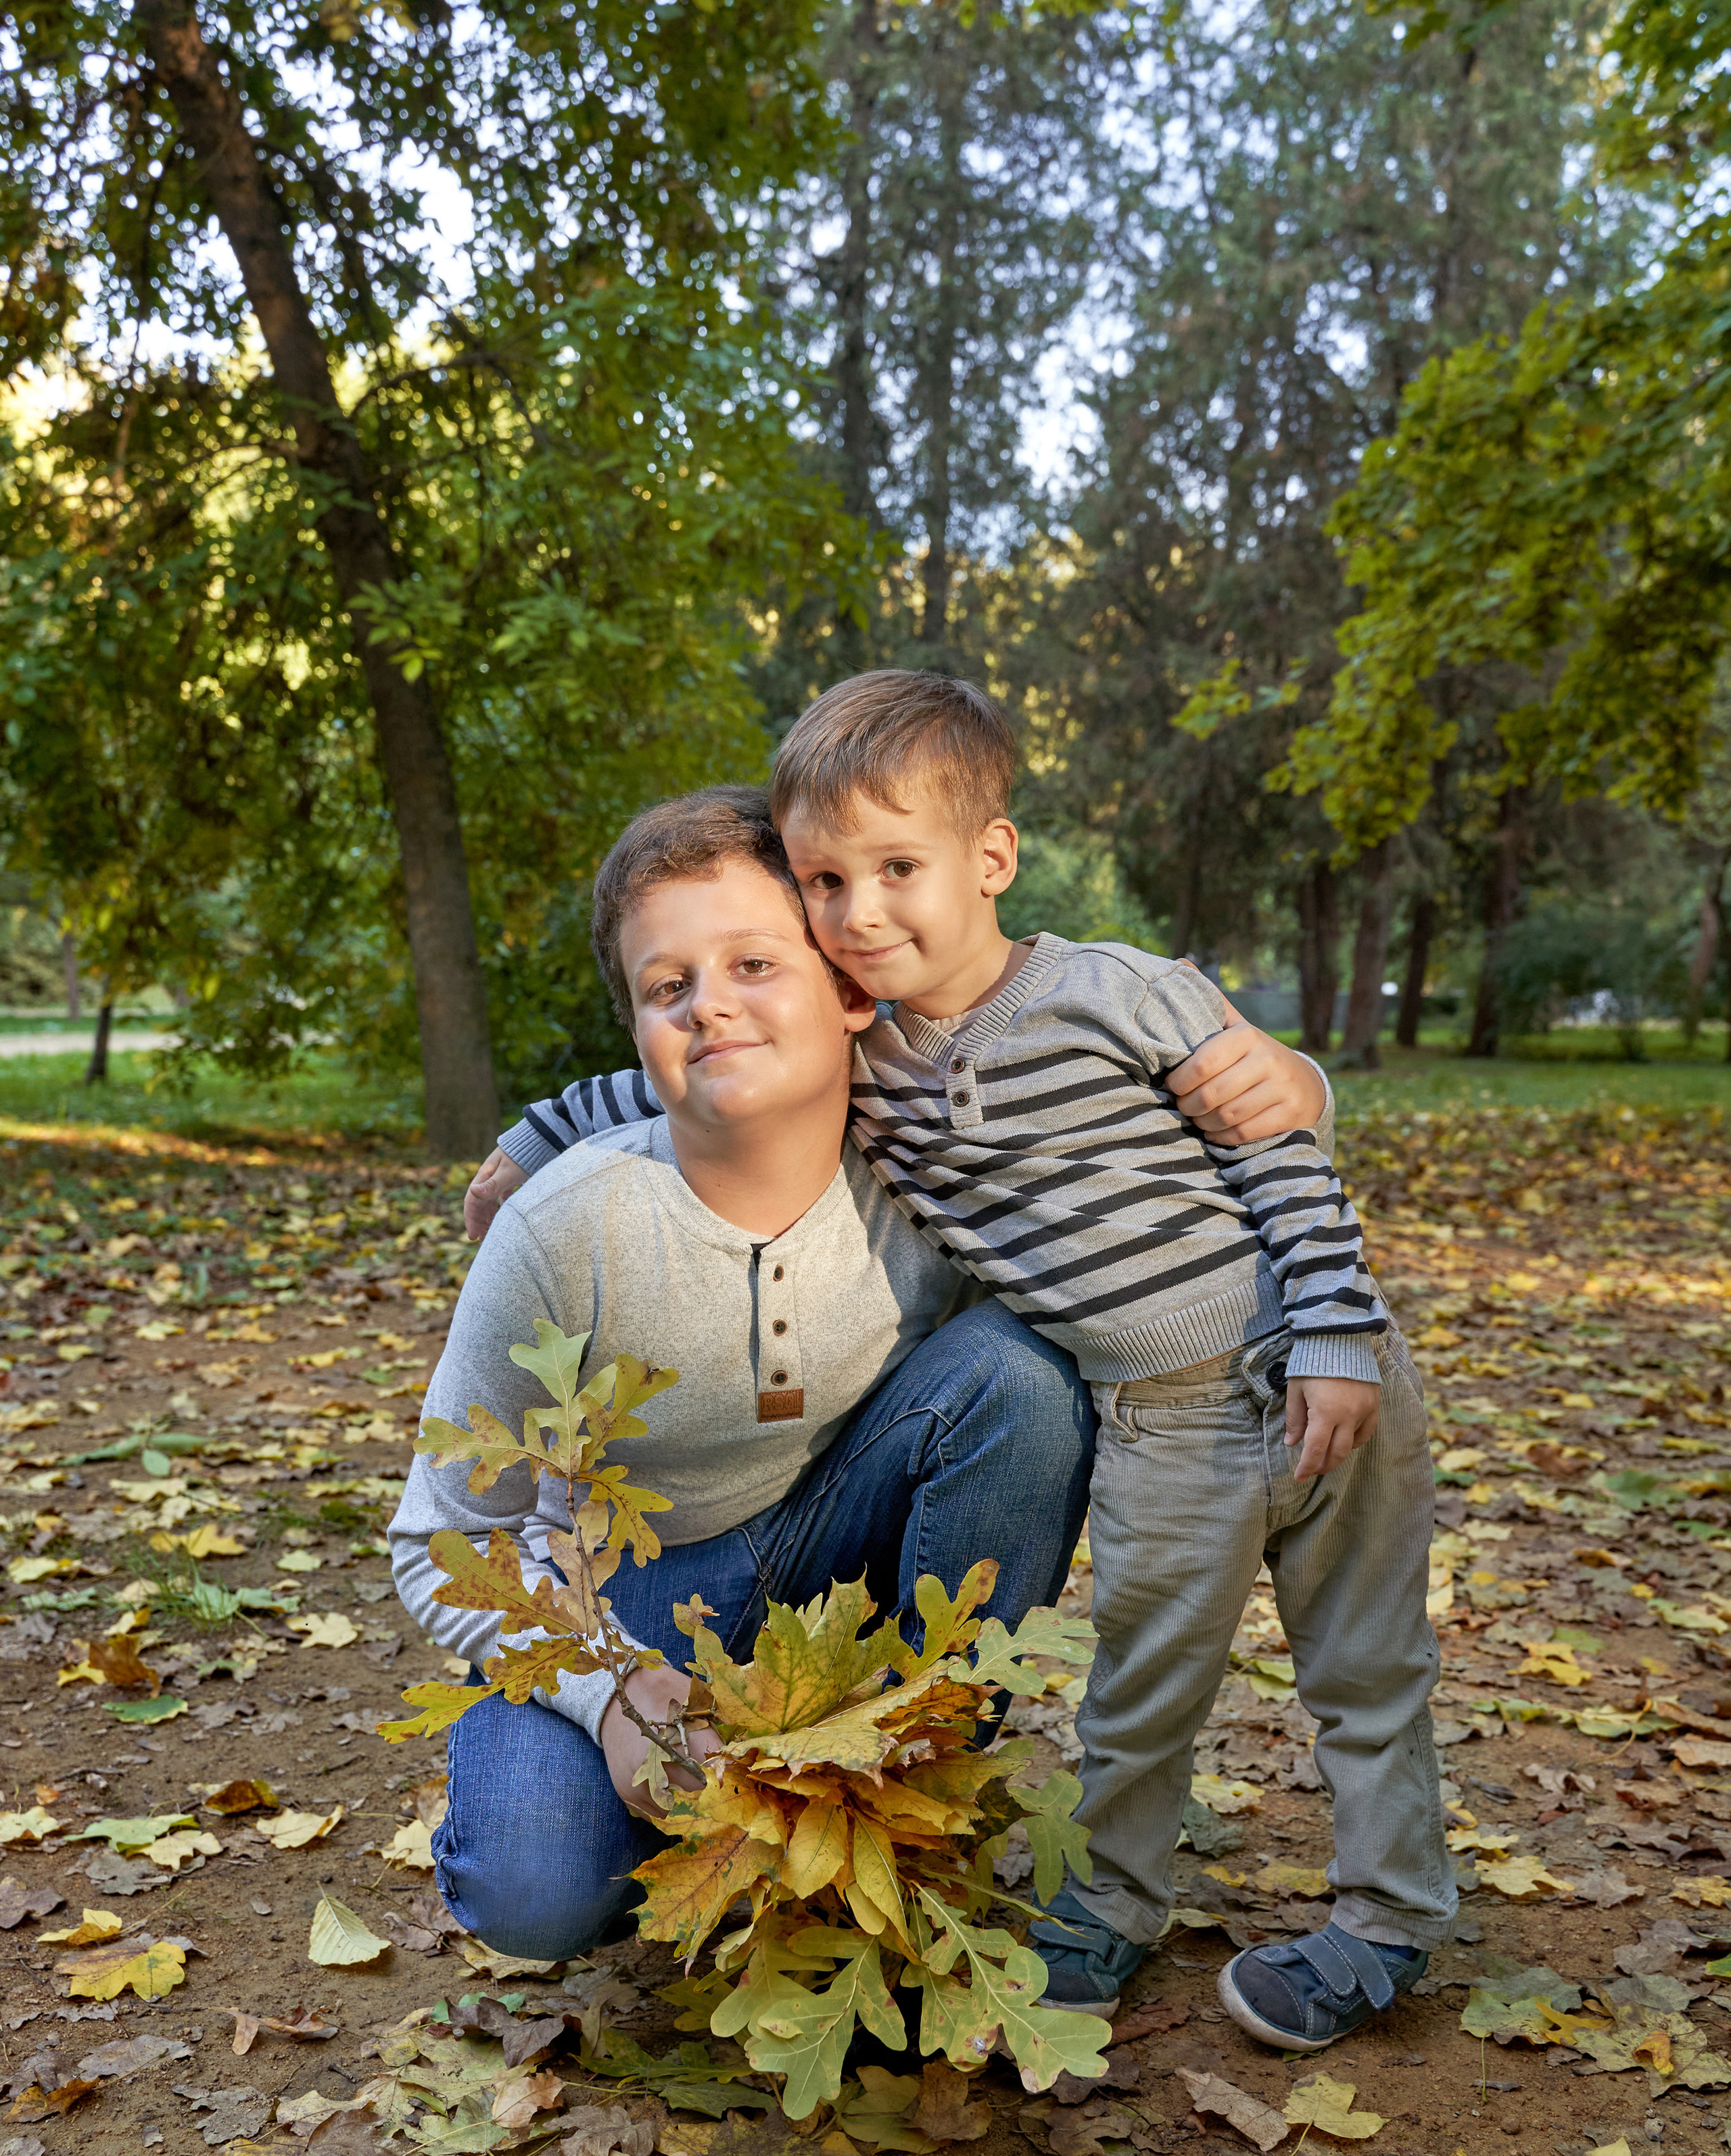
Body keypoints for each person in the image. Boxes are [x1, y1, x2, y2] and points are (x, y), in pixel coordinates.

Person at [464, 674, 1453, 2053]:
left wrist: (1336, 1322)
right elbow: (674, 1060)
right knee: (1138, 1684)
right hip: (1155, 1420)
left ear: (989, 859)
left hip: (1311, 1365)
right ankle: (1108, 1906)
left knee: (1361, 1661)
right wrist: (528, 1139)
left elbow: (1273, 1149)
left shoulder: (1116, 990)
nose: (860, 913)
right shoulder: (860, 1055)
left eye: (896, 869)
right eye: (823, 880)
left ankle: (1386, 1918)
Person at [393, 791, 1087, 1958]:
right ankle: (667, 1786)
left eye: (756, 962)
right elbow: (437, 1542)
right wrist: (609, 1689)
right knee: (537, 1894)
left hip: (835, 1562)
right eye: (669, 988)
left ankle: (910, 1799)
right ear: (641, 1036)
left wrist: (1287, 1084)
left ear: (852, 989)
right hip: (619, 1600)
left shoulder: (941, 1180)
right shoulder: (567, 1231)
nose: (710, 1002)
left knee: (1024, 1376)